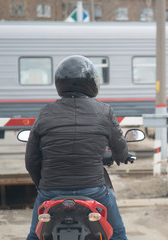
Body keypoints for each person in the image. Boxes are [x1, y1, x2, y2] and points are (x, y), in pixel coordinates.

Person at [25, 55, 132, 240]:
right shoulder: (104, 111)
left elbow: (31, 160)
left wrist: (42, 186)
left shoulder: (45, 113)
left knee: (34, 235)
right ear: (91, 83)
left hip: (52, 190)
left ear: (59, 83)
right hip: (93, 190)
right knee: (118, 233)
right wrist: (123, 156)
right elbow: (119, 146)